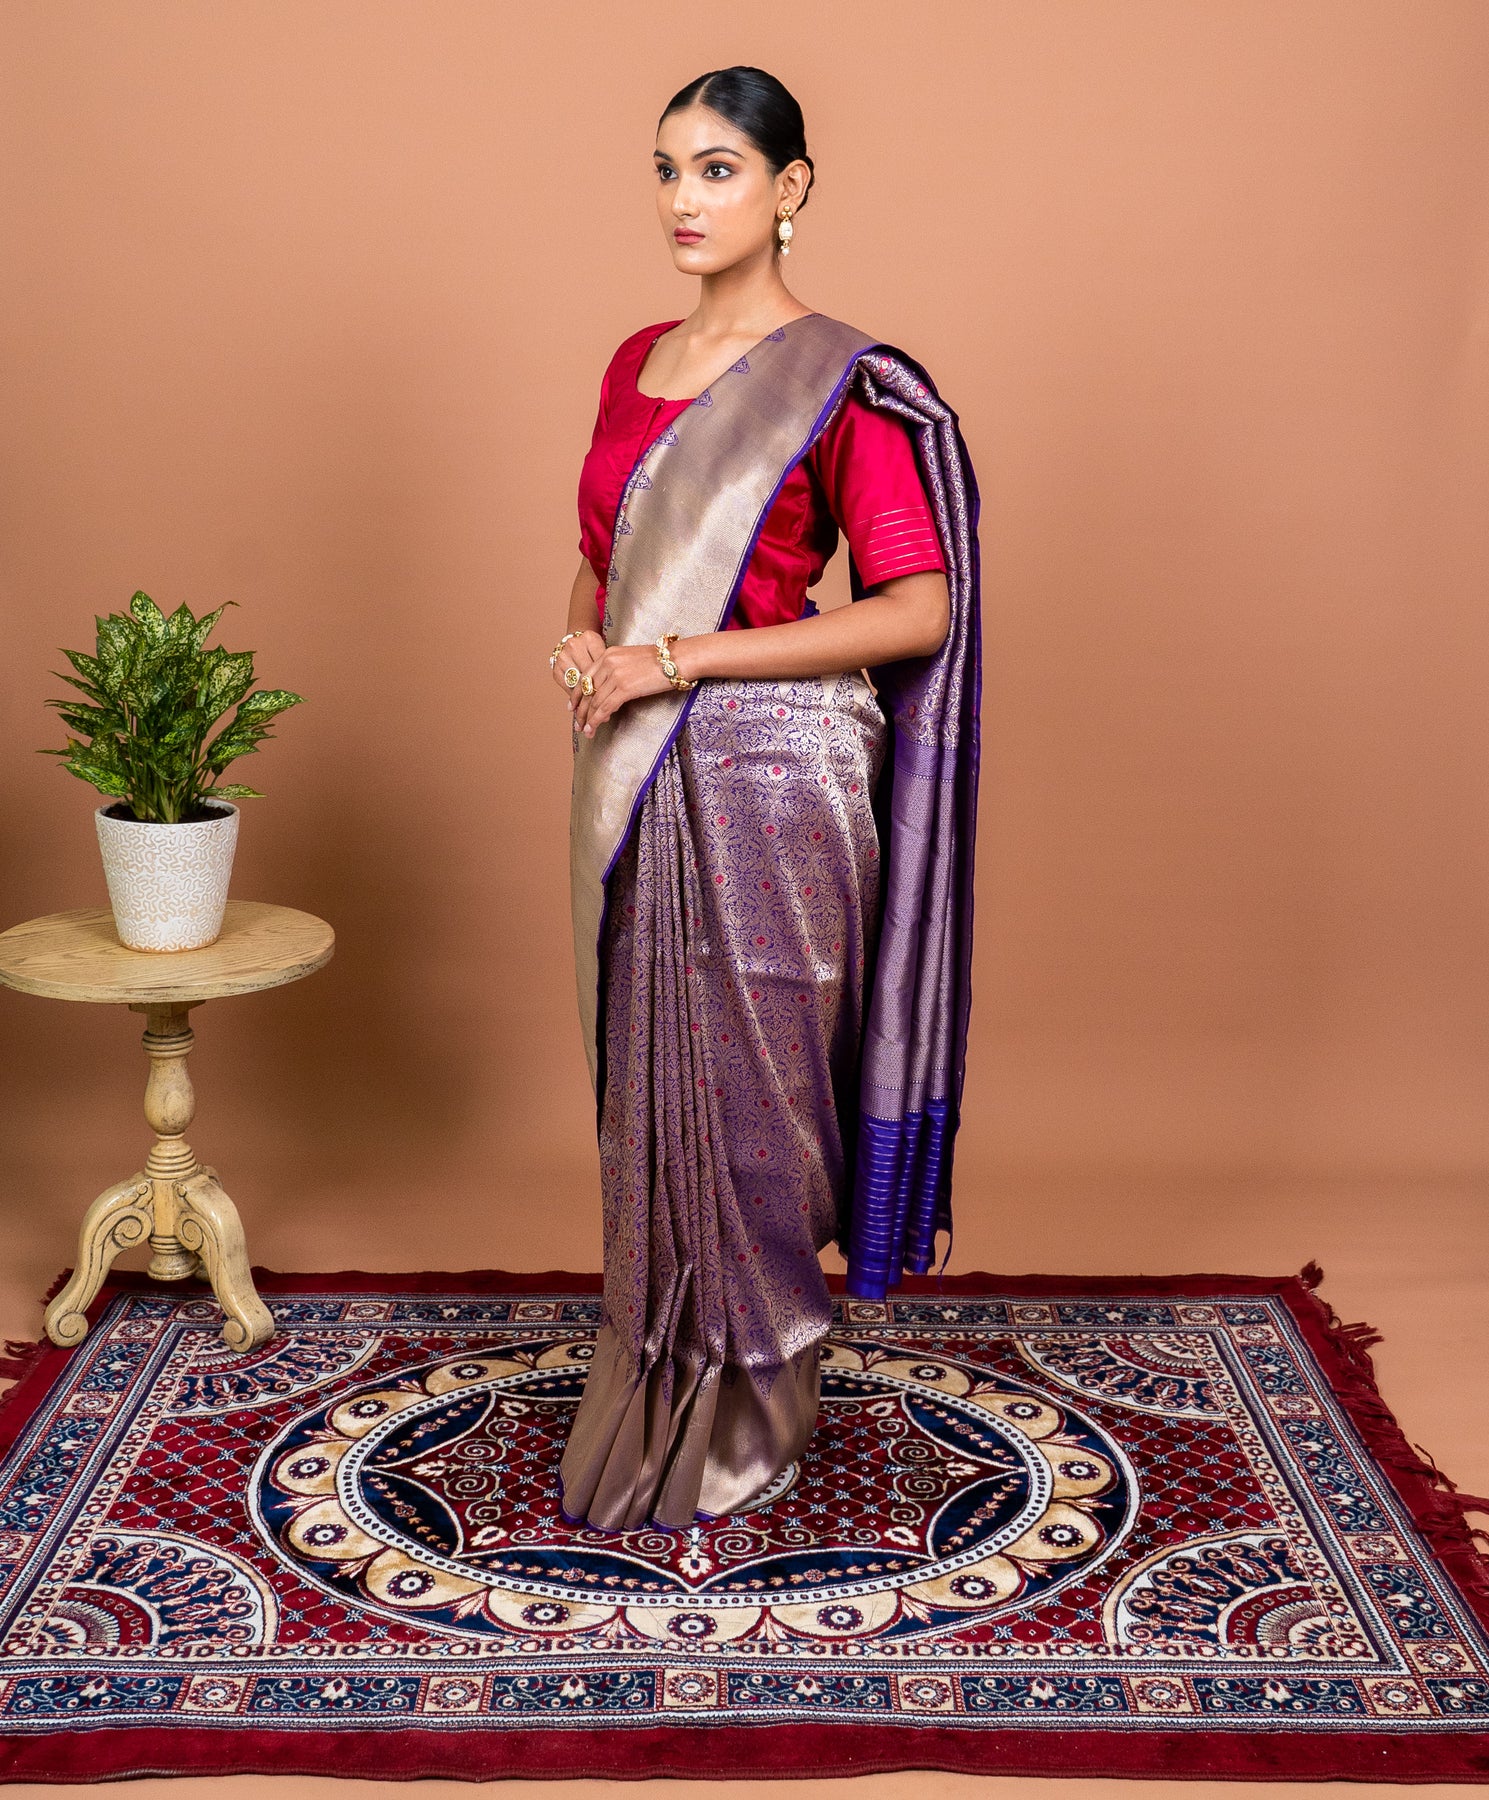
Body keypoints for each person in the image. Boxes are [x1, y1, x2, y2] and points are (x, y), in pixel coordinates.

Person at [552, 66, 981, 1533]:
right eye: (667, 168)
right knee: (650, 1081)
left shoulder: (841, 382)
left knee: (756, 1093)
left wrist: (673, 658)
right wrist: (586, 644)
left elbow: (916, 608)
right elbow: (600, 556)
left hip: (771, 771)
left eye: (719, 168)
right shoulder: (632, 362)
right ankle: (660, 1359)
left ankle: (758, 1395)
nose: (684, 198)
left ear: (791, 188)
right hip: (632, 762)